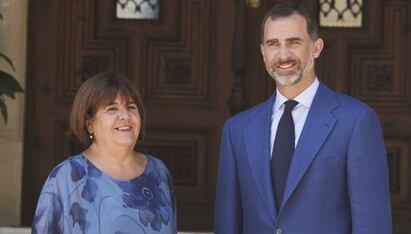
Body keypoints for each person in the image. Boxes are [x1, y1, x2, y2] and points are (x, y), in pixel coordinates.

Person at [215, 3, 392, 234]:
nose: (283, 55)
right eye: (273, 44)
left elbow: (372, 225)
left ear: (316, 47)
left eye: (294, 42)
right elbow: (227, 225)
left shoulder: (357, 121)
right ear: (262, 52)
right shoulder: (236, 130)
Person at [32, 72, 177, 234]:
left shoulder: (158, 172)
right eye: (112, 108)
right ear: (89, 124)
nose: (125, 116)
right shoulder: (67, 176)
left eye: (131, 107)